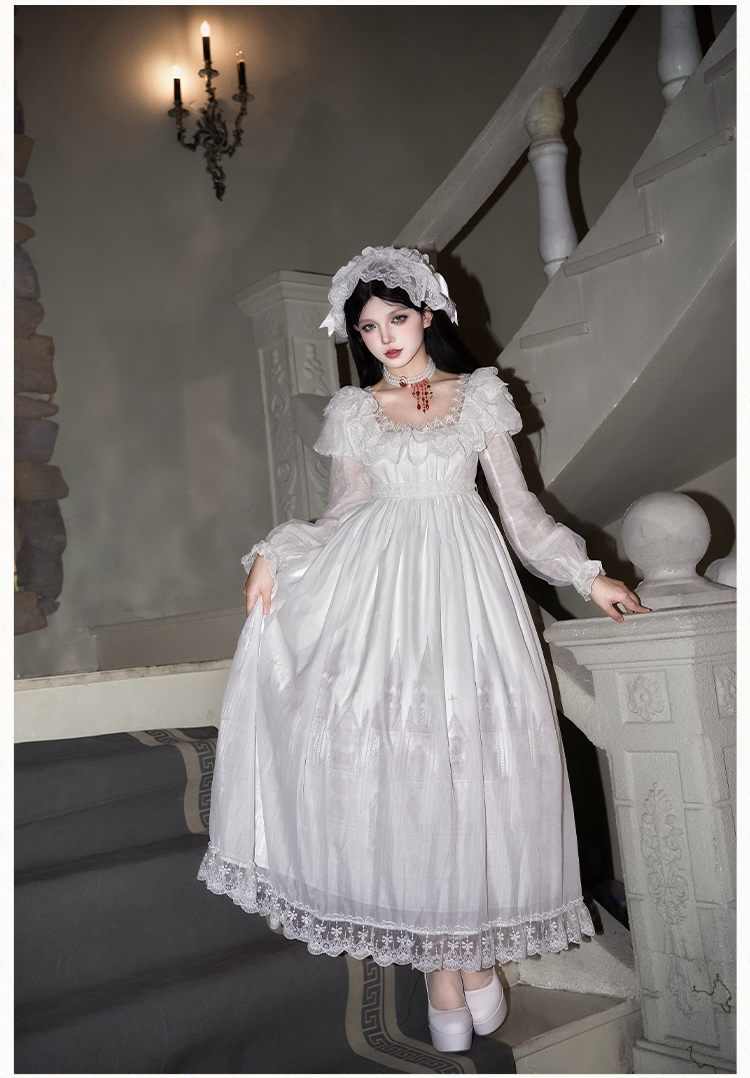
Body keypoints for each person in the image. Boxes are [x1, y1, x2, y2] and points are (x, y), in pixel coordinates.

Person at [198, 245, 649, 1053]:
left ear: (428, 315)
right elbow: (342, 512)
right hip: (380, 598)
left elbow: (522, 514)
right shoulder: (356, 411)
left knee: (471, 763)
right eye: (368, 327)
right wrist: (276, 549)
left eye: (396, 318)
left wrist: (590, 577)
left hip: (469, 597)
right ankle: (447, 965)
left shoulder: (478, 397)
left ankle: (469, 951)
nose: (384, 337)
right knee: (403, 768)